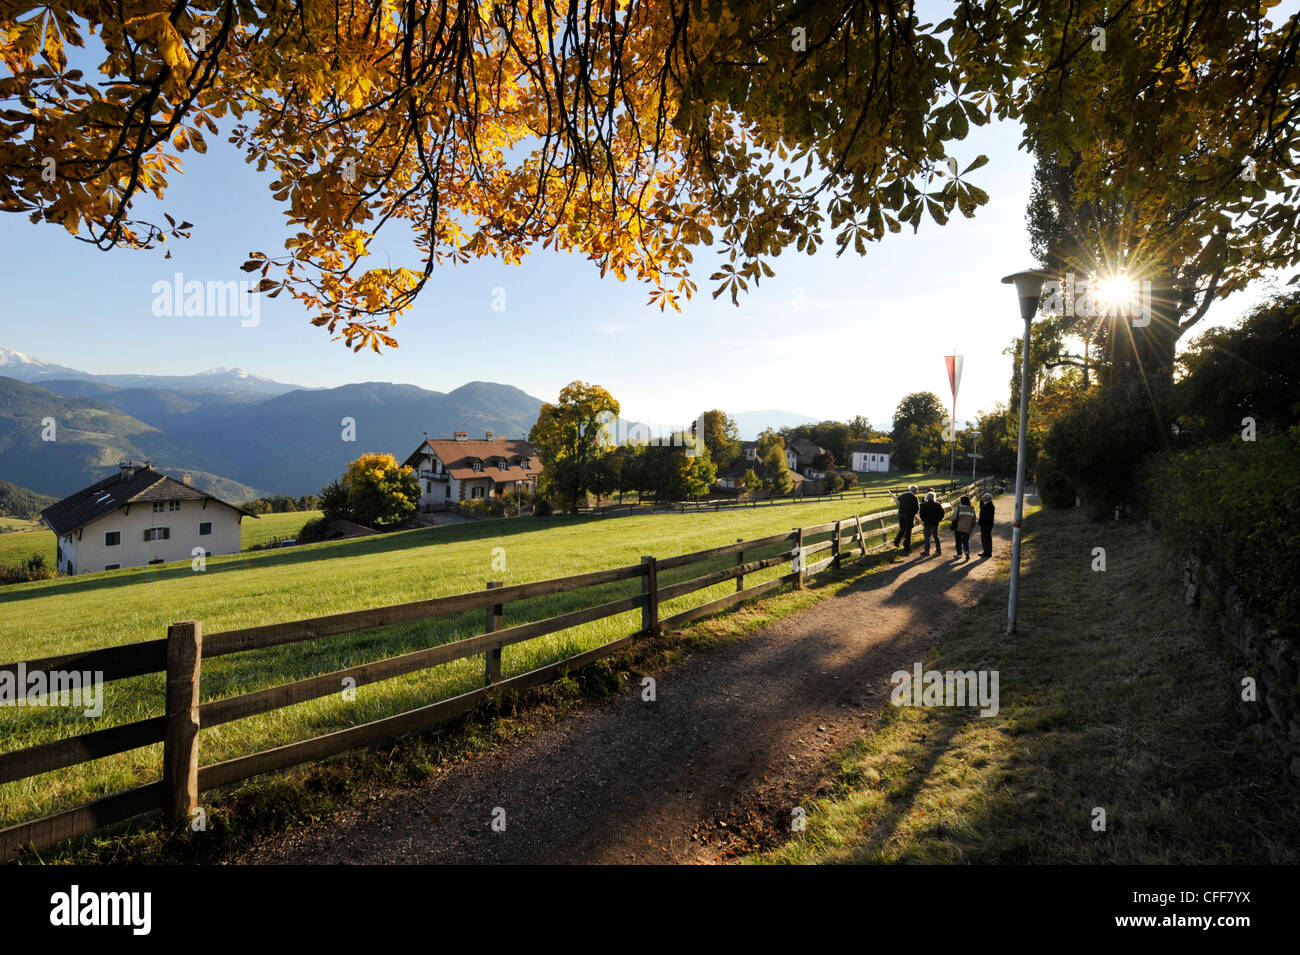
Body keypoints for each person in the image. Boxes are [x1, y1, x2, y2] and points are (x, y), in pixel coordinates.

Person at [892, 485, 920, 553]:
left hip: (901, 514)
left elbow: (897, 501)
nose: (917, 491)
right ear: (915, 490)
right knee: (908, 531)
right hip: (909, 516)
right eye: (917, 490)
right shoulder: (914, 497)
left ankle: (896, 541)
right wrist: (914, 513)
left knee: (902, 528)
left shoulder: (903, 495)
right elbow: (917, 508)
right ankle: (906, 546)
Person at [918, 491, 945, 556]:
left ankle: (927, 551)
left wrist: (923, 520)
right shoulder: (937, 505)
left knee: (927, 536)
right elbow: (943, 513)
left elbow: (921, 514)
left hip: (927, 522)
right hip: (935, 522)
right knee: (936, 536)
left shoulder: (923, 505)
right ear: (934, 497)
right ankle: (938, 550)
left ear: (927, 497)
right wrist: (939, 519)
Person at [950, 494, 977, 560]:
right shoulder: (972, 509)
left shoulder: (959, 508)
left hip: (958, 528)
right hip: (967, 528)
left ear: (961, 501)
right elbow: (974, 521)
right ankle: (967, 551)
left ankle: (959, 554)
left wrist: (951, 520)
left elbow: (953, 518)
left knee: (958, 541)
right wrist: (971, 528)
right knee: (965, 541)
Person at [978, 492, 995, 558]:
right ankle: (985, 551)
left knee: (987, 538)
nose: (982, 498)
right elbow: (981, 507)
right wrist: (981, 500)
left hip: (986, 524)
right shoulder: (986, 504)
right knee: (984, 538)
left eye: (984, 497)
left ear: (987, 498)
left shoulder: (990, 505)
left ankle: (988, 553)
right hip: (984, 524)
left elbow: (985, 514)